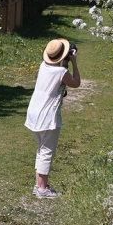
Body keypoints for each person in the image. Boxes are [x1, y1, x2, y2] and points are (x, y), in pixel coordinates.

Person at [25, 38, 81, 198]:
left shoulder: (44, 66)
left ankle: (39, 185)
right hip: (46, 115)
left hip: (35, 111)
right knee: (47, 150)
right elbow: (75, 83)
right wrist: (74, 62)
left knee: (42, 148)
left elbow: (59, 75)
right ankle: (42, 190)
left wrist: (65, 63)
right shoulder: (61, 72)